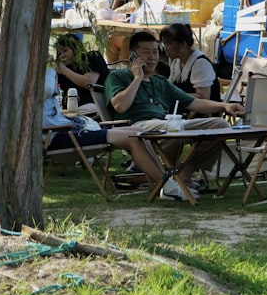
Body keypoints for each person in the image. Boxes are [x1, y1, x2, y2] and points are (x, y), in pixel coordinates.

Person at [103, 31, 245, 201]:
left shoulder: (161, 82)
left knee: (220, 125)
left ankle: (184, 174)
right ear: (133, 56)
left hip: (166, 125)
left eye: (155, 52)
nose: (152, 57)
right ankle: (165, 180)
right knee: (173, 129)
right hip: (135, 128)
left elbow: (194, 103)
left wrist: (225, 105)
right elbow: (120, 106)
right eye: (146, 52)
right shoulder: (117, 77)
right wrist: (137, 78)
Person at [42, 65, 165, 190]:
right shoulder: (40, 82)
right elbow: (46, 89)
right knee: (134, 137)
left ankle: (166, 180)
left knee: (139, 132)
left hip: (69, 131)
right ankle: (166, 185)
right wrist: (50, 69)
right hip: (57, 137)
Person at [159, 23, 221, 105]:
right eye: (164, 44)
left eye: (168, 44)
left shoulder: (200, 63)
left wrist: (174, 96)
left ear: (183, 45)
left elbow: (203, 97)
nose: (165, 48)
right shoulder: (176, 62)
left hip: (203, 113)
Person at [54, 34, 109, 110]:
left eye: (65, 50)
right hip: (71, 111)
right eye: (59, 53)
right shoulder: (64, 70)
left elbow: (89, 83)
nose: (62, 56)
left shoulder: (92, 57)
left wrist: (65, 71)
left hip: (96, 108)